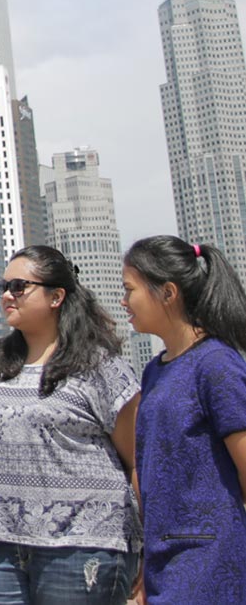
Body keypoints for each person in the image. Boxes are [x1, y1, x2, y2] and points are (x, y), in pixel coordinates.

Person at [0, 245, 141, 604]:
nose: (7, 295)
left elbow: (137, 459)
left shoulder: (99, 367)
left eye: (19, 286)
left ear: (56, 296)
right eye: (3, 287)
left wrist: (150, 546)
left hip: (85, 546)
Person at [122, 235, 246, 604]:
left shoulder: (217, 364)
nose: (123, 301)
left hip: (212, 557)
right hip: (164, 557)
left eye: (129, 289)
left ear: (168, 292)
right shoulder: (153, 371)